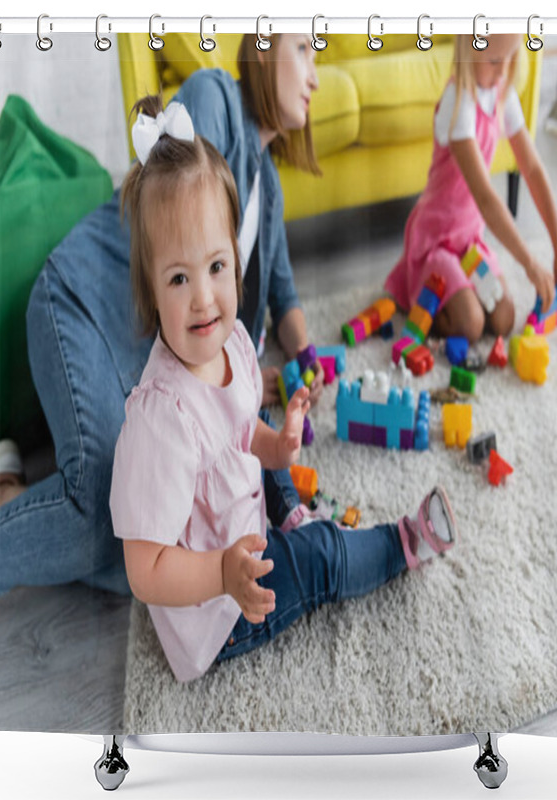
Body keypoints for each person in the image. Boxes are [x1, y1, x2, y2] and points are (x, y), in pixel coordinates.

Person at [110, 96, 457, 682]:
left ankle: (287, 510)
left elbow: (243, 430)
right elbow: (146, 571)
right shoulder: (161, 419)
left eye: (217, 267)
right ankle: (406, 542)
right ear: (150, 290)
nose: (203, 298)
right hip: (218, 609)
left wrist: (278, 446)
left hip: (240, 519)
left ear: (236, 264)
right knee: (320, 556)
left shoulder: (234, 343)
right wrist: (224, 574)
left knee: (263, 441)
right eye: (178, 278)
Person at [0, 34, 328, 597]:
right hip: (82, 303)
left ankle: (6, 490)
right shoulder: (215, 97)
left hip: (141, 354)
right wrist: (219, 375)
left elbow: (283, 295)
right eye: (306, 50)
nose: (315, 75)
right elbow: (185, 219)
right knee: (109, 520)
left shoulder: (269, 186)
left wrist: (308, 358)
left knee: (164, 532)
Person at [385, 35, 557, 343]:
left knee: (503, 319)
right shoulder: (458, 102)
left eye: (511, 58)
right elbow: (486, 199)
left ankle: (459, 289)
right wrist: (529, 263)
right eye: (493, 60)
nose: (503, 72)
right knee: (471, 325)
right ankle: (416, 289)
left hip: (469, 242)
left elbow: (533, 169)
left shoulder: (501, 92)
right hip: (437, 241)